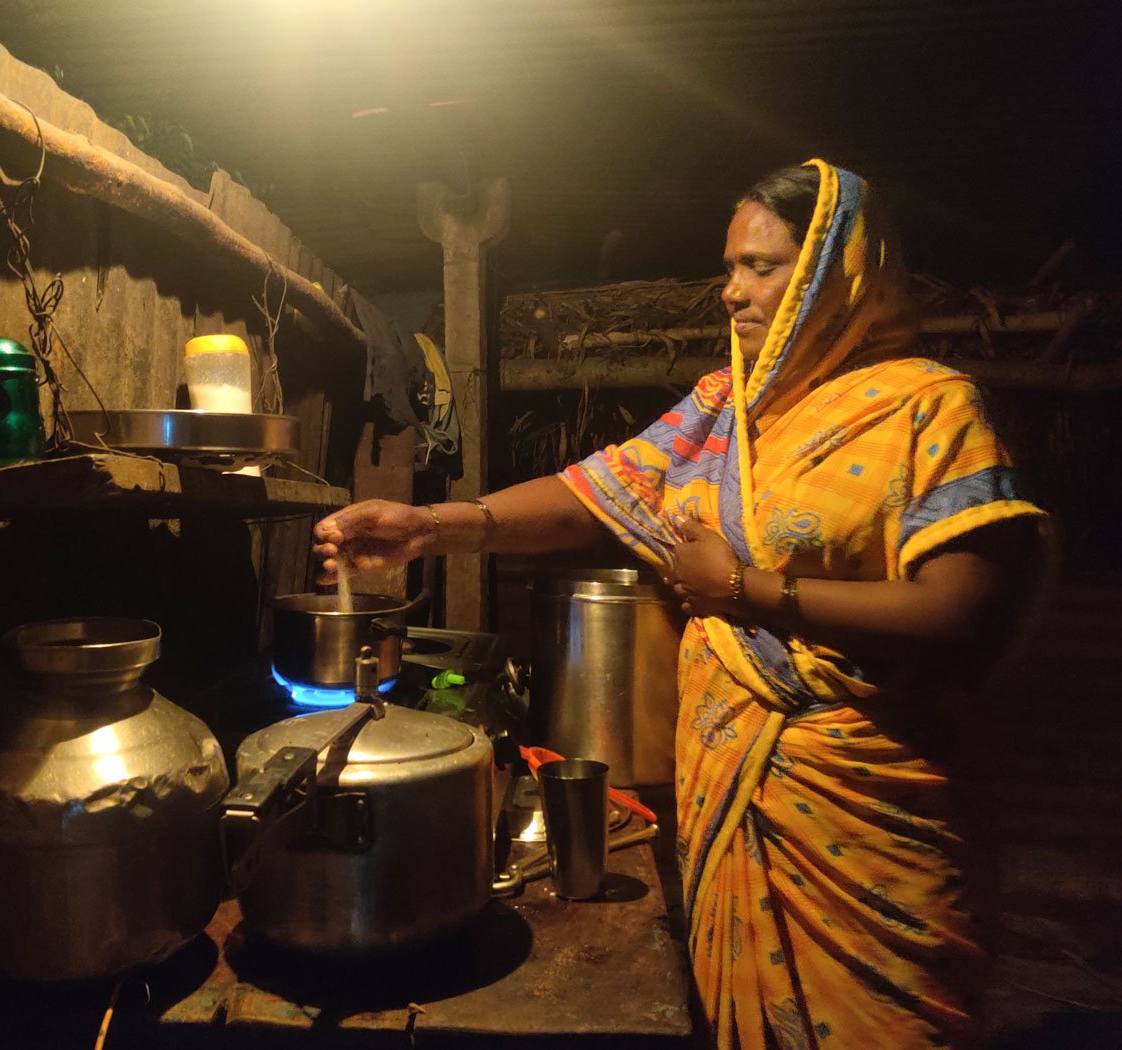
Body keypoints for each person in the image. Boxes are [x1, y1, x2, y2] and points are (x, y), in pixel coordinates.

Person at [313, 159, 1048, 1048]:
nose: (733, 292)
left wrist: (743, 589)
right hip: (733, 788)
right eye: (730, 267)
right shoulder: (721, 412)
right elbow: (591, 493)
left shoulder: (929, 408)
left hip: (867, 806)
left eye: (763, 268)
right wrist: (428, 528)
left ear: (837, 273)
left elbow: (962, 614)